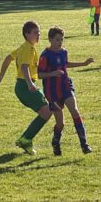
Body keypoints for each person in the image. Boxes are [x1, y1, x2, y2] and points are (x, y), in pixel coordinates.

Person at [0, 21, 53, 155]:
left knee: (47, 110)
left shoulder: (25, 47)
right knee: (47, 111)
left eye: (39, 32)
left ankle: (26, 139)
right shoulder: (27, 49)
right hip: (25, 85)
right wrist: (29, 83)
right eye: (35, 32)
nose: (38, 35)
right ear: (27, 34)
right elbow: (24, 67)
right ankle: (25, 139)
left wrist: (1, 75)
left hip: (22, 86)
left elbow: (8, 58)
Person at [38, 26, 94, 156]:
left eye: (62, 39)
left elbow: (65, 64)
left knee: (75, 111)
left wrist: (83, 64)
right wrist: (53, 73)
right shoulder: (45, 55)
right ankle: (56, 142)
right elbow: (39, 74)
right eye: (57, 39)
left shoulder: (63, 52)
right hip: (52, 94)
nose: (60, 42)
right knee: (60, 123)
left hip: (66, 87)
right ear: (50, 39)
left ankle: (84, 144)